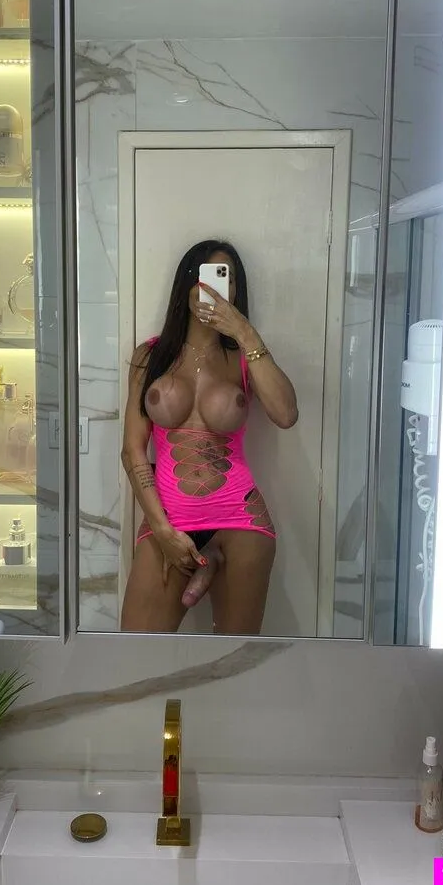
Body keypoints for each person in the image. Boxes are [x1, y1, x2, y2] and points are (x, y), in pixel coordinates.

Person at [120, 239, 298, 634]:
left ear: (236, 291)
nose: (217, 287)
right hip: (169, 520)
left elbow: (286, 415)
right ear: (187, 283)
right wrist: (161, 530)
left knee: (233, 658)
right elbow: (132, 450)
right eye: (207, 275)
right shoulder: (151, 357)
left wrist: (245, 333)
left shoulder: (245, 358)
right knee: (137, 650)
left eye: (227, 279)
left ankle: (216, 560)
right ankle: (199, 556)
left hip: (241, 520)